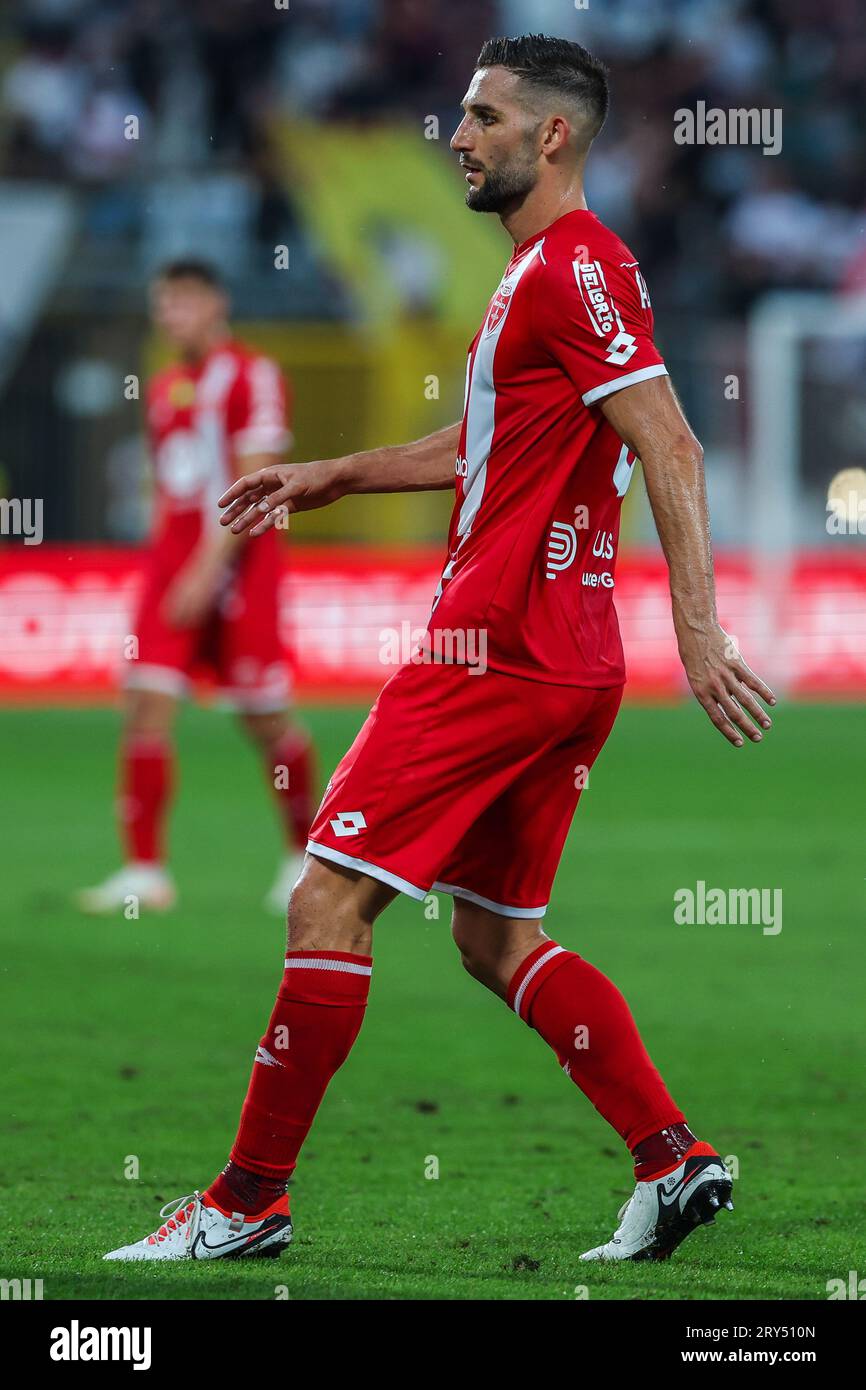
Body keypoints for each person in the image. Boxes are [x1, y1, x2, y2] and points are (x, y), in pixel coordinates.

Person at [104, 35, 775, 1265]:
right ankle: (673, 1161)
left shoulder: (571, 268)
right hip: (564, 659)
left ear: (550, 136)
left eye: (480, 117)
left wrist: (701, 631)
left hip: (496, 647)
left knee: (325, 895)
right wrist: (334, 476)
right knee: (491, 934)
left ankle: (247, 1200)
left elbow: (671, 446)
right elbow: (488, 442)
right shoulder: (548, 275)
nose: (456, 137)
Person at [77, 260, 315, 918]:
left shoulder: (252, 373)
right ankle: (144, 871)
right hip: (171, 567)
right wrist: (170, 562)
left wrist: (209, 570)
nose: (168, 316)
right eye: (161, 304)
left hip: (240, 570)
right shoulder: (163, 386)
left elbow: (259, 477)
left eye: (180, 302)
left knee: (264, 718)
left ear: (215, 302)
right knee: (145, 706)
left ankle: (304, 858)